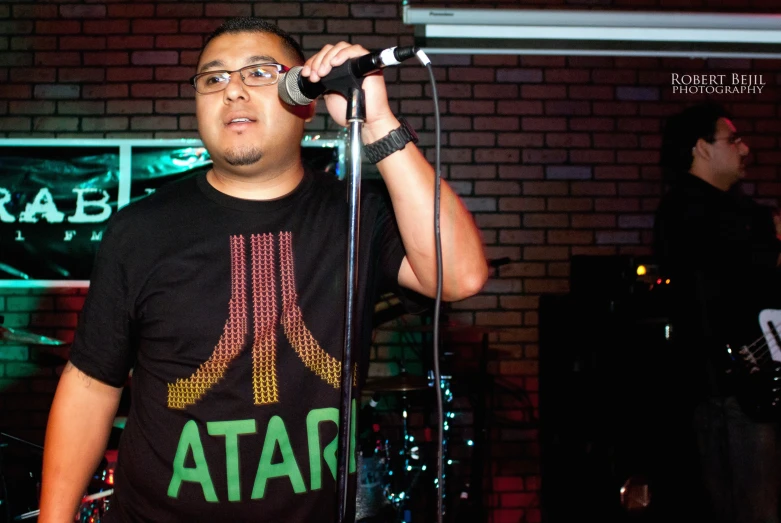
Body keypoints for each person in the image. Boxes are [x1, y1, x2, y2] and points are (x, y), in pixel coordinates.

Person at [38, 18, 488, 523]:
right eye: (213, 78)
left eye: (258, 73)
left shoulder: (358, 214)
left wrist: (378, 122)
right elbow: (91, 386)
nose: (232, 90)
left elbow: (460, 276)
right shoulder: (140, 230)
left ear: (304, 97)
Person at [654, 102, 781, 523]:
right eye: (734, 139)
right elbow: (726, 281)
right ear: (702, 149)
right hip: (733, 390)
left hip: (746, 387)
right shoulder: (687, 212)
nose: (745, 150)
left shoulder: (742, 214)